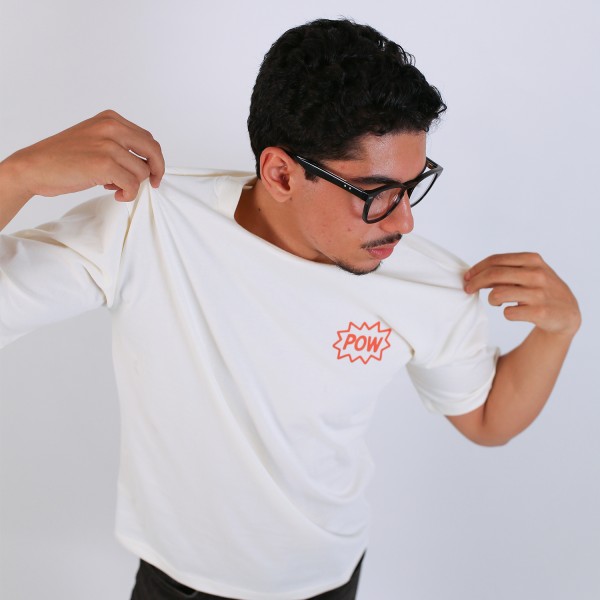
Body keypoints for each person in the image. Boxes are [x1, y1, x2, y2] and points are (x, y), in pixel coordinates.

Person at [0, 18, 580, 600]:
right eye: (378, 193)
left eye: (413, 185)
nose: (405, 221)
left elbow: (486, 419)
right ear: (280, 173)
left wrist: (559, 329)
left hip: (328, 580)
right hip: (177, 582)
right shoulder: (146, 225)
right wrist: (15, 177)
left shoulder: (430, 282)